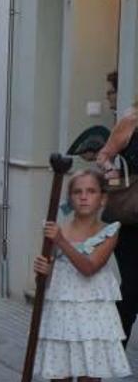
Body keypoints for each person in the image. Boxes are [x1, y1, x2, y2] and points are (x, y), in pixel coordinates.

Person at [32, 169, 131, 381]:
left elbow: (89, 268)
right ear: (70, 198)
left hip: (93, 315)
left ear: (102, 198)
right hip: (62, 313)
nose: (84, 197)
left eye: (91, 191)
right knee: (60, 375)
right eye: (77, 192)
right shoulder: (57, 231)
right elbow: (47, 278)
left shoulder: (110, 230)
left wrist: (61, 241)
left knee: (90, 376)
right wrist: (43, 271)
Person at [94, 70, 138, 345]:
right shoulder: (132, 120)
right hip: (131, 218)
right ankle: (116, 347)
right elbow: (104, 154)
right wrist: (111, 171)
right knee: (132, 288)